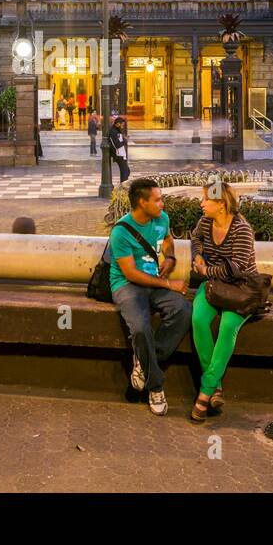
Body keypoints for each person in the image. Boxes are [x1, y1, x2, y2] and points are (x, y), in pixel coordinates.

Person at [109, 178, 191, 416]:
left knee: (183, 310)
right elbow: (131, 273)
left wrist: (171, 258)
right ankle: (155, 386)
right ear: (141, 203)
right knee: (141, 329)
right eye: (157, 200)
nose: (162, 204)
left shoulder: (161, 219)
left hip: (154, 282)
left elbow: (167, 240)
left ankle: (143, 363)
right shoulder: (121, 231)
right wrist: (169, 283)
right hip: (127, 286)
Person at [188, 181, 259, 424]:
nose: (201, 203)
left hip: (241, 289)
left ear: (221, 204)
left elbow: (236, 270)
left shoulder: (242, 229)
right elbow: (195, 238)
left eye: (206, 199)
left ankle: (205, 392)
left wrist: (205, 269)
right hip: (212, 287)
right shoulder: (205, 223)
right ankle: (216, 385)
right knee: (198, 320)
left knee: (228, 326)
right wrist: (197, 254)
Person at [108, 117, 131, 183]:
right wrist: (125, 140)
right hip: (118, 155)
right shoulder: (113, 131)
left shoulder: (117, 130)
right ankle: (123, 187)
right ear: (118, 124)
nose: (123, 126)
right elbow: (117, 145)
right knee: (125, 172)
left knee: (126, 171)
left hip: (121, 154)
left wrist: (124, 139)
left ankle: (122, 185)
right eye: (122, 124)